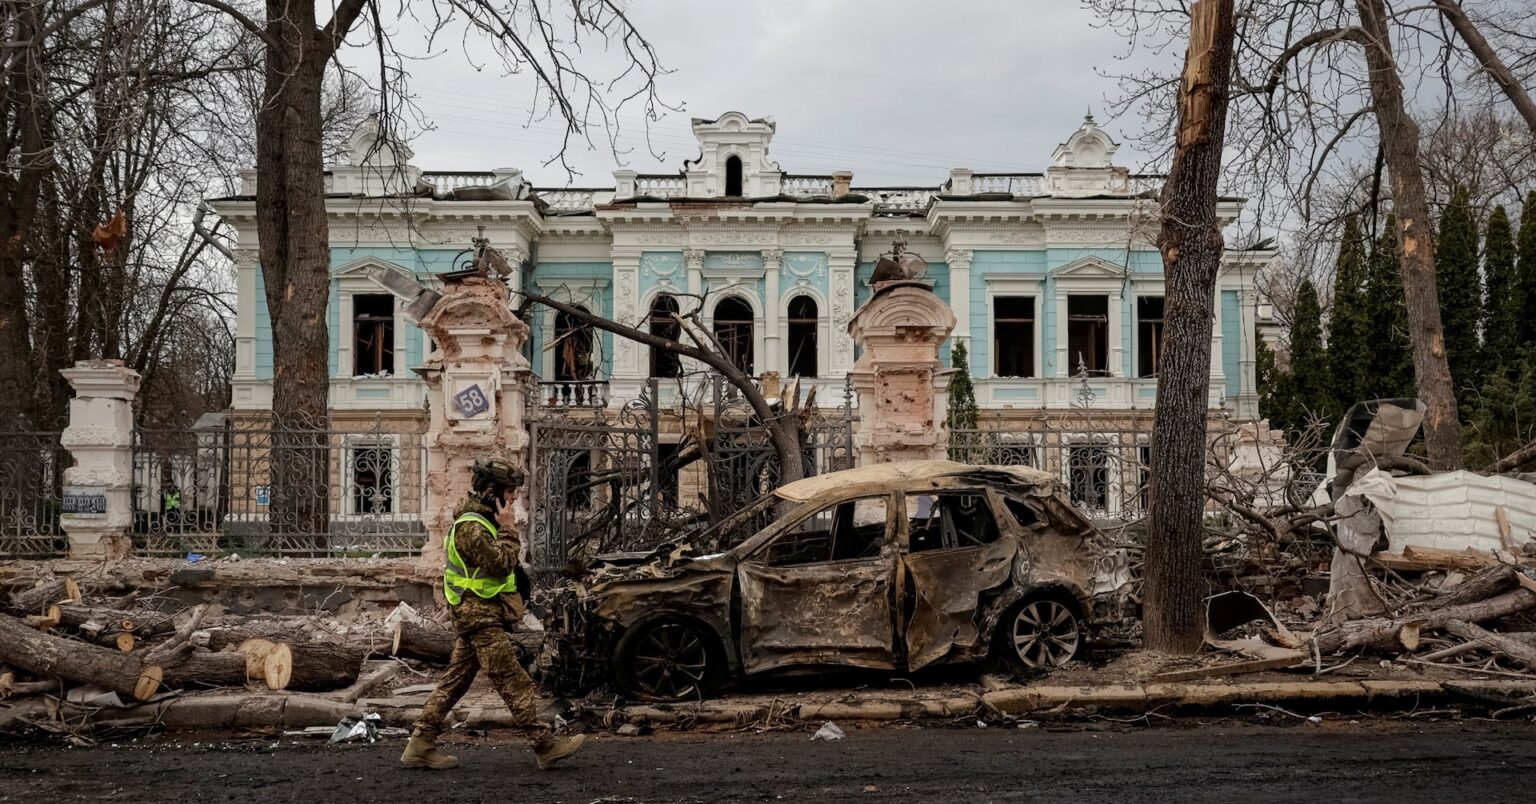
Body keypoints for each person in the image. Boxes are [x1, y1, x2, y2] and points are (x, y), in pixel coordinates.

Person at [400, 457, 585, 770]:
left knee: (454, 683)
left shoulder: (484, 522)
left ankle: (420, 743)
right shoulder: (472, 527)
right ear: (492, 492)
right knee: (514, 681)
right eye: (510, 491)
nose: (513, 497)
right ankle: (545, 745)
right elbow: (500, 562)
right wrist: (510, 530)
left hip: (480, 613)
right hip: (478, 616)